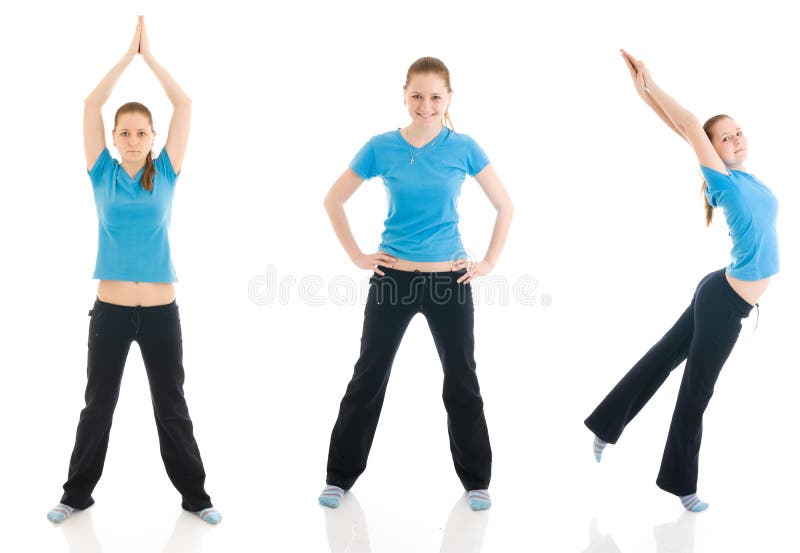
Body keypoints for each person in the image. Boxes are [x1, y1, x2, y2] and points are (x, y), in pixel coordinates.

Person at [585, 50, 779, 512]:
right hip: (724, 303)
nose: (734, 140)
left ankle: (605, 424)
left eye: (737, 133)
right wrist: (649, 85)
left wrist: (647, 96)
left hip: (719, 291)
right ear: (712, 149)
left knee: (662, 359)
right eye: (724, 138)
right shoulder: (723, 183)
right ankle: (681, 484)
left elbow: (684, 130)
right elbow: (690, 127)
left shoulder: (745, 178)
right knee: (697, 388)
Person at [318, 57, 513, 512]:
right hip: (392, 280)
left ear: (449, 99)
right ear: (404, 94)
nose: (426, 105)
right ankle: (338, 477)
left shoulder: (463, 147)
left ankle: (477, 481)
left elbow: (505, 205)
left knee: (461, 379)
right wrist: (356, 255)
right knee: (369, 375)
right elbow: (333, 200)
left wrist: (488, 261)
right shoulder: (380, 147)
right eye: (417, 96)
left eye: (436, 97)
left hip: (450, 281)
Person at [47, 17, 221, 525]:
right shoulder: (101, 170)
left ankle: (197, 497)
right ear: (114, 137)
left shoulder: (165, 168)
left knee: (172, 408)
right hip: (112, 311)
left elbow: (185, 105)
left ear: (152, 137)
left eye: (140, 132)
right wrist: (126, 58)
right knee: (97, 406)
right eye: (124, 132)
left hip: (162, 311)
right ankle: (76, 495)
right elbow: (89, 107)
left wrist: (151, 59)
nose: (131, 139)